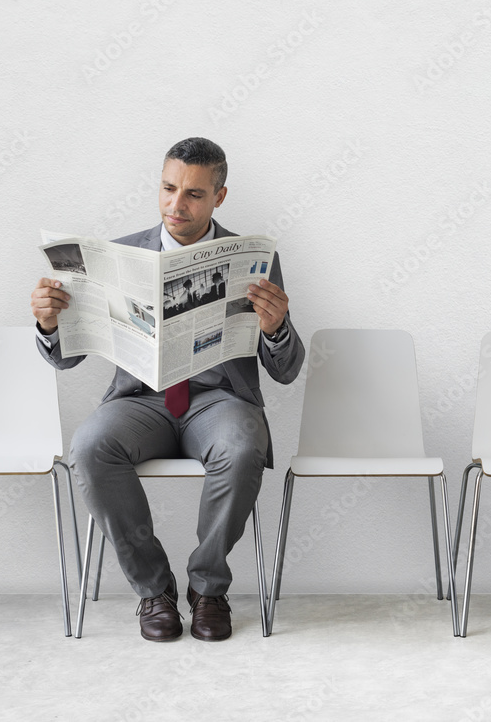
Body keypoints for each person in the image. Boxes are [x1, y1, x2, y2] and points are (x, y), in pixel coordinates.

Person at [30, 137, 304, 641]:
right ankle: (154, 591)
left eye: (194, 195)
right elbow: (66, 357)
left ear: (219, 197)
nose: (177, 205)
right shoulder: (118, 254)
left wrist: (276, 328)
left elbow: (286, 369)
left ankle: (208, 588)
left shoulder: (254, 257)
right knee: (89, 446)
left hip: (220, 402)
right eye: (168, 188)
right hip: (141, 401)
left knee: (244, 447)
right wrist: (49, 325)